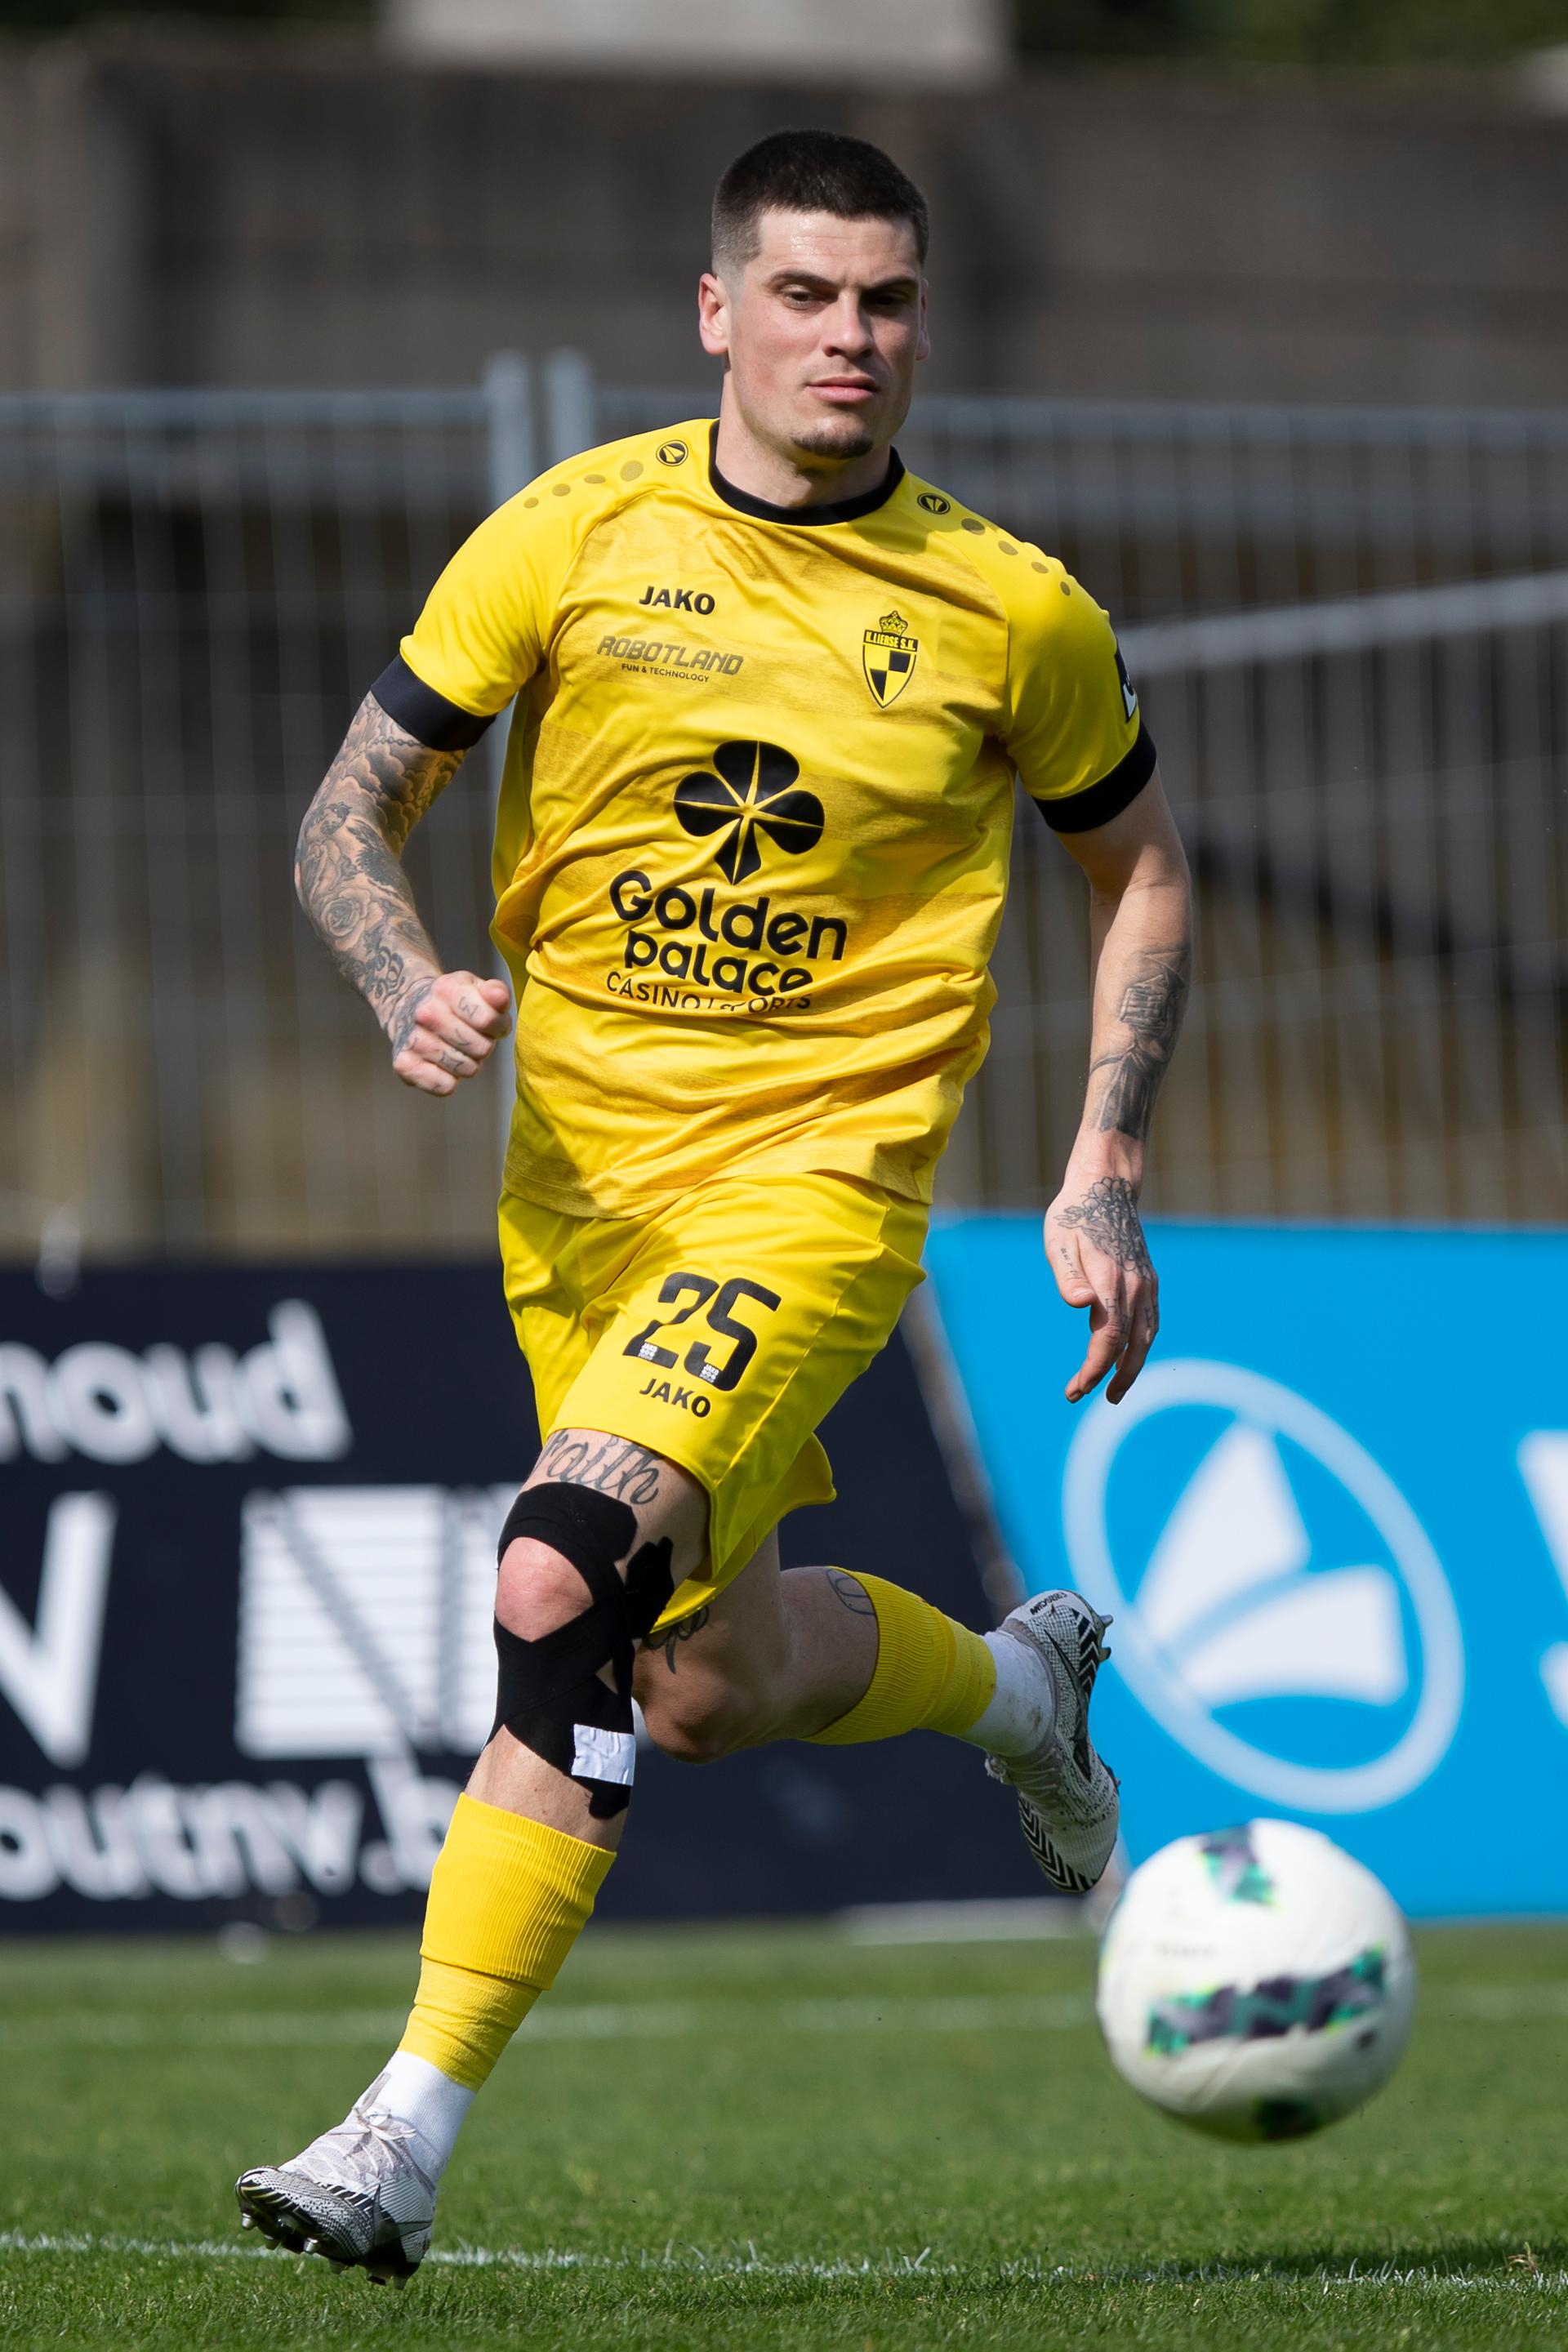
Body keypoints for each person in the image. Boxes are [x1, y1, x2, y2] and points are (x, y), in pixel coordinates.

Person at [236, 127, 1192, 2283]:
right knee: (706, 1684)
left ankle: (397, 2139)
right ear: (715, 312)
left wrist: (1106, 1158)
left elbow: (1140, 871)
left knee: (558, 1575)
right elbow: (345, 809)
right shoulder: (570, 534)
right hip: (578, 1201)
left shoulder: (1011, 607)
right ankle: (1019, 1695)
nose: (852, 337)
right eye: (806, 295)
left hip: (817, 1186)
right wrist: (403, 979)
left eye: (888, 301)